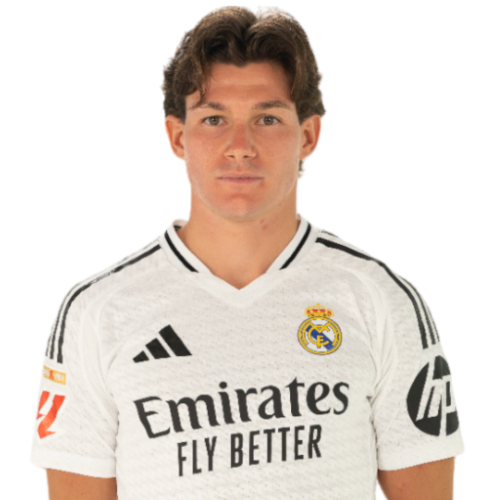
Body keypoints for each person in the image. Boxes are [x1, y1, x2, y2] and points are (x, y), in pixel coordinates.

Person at [30, 5, 466, 499]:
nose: (240, 146)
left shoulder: (381, 299)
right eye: (214, 119)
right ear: (177, 137)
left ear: (308, 136)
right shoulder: (97, 311)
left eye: (267, 118)